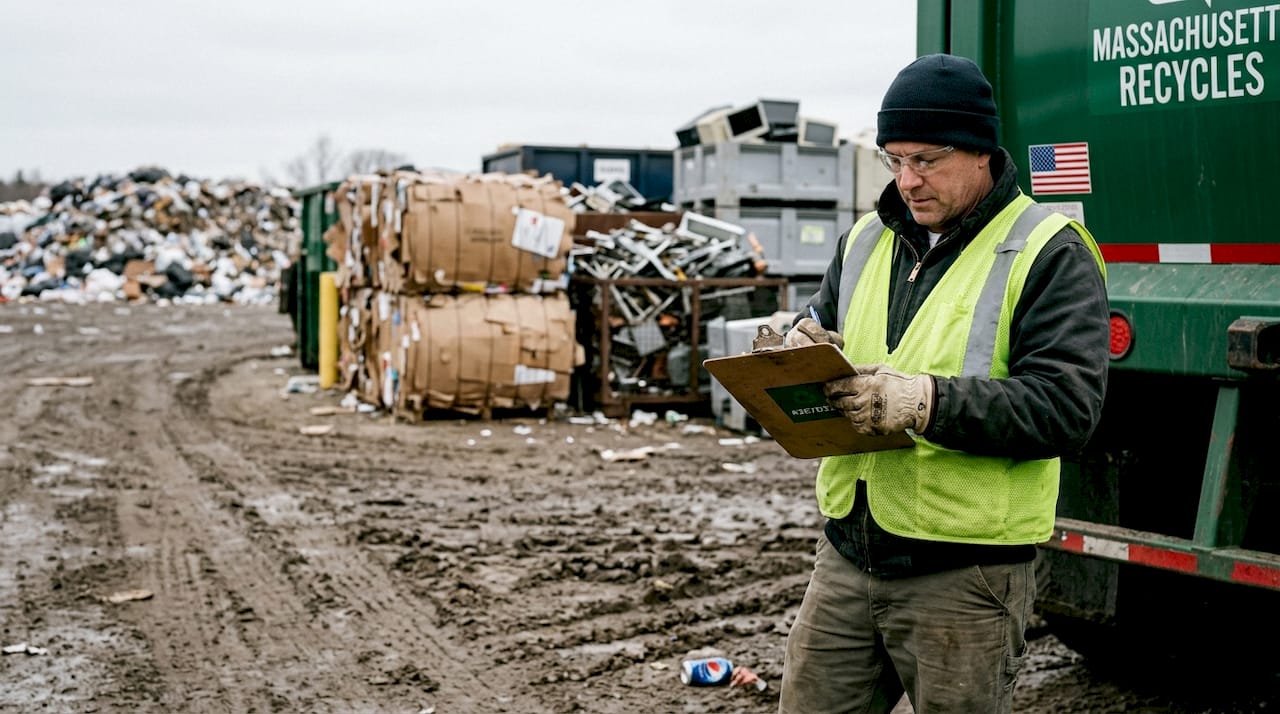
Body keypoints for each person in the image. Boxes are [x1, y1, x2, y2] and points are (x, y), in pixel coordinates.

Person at [777, 53, 1109, 713]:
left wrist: (921, 402)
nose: (907, 180)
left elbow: (1066, 410)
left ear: (982, 151)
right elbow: (819, 319)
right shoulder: (867, 241)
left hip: (965, 574)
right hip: (849, 553)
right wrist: (798, 342)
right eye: (893, 159)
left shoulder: (1049, 250)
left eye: (926, 160)